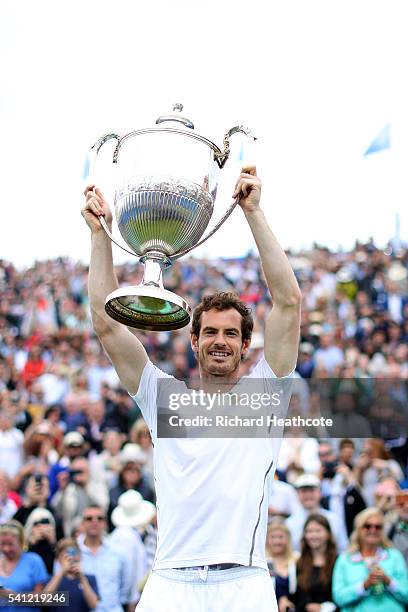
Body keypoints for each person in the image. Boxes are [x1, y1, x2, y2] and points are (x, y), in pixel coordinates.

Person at [82, 165, 301, 612]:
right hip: (170, 583)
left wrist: (254, 213)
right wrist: (99, 234)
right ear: (194, 340)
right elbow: (107, 327)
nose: (221, 341)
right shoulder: (163, 398)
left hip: (244, 581)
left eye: (231, 334)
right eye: (212, 333)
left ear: (245, 346)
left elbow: (289, 303)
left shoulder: (265, 394)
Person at [332, 507, 408, 611]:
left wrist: (388, 581)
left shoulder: (394, 556)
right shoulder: (345, 560)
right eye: (367, 526)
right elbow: (339, 598)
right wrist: (364, 585)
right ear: (358, 529)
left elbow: (406, 595)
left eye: (378, 527)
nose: (373, 530)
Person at [77, 505, 131, 612]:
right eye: (89, 518)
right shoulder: (72, 552)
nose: (95, 522)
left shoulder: (118, 552)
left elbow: (126, 588)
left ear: (105, 523)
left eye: (100, 518)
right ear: (82, 524)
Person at [280, 514, 338, 612]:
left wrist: (324, 608)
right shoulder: (298, 563)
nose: (313, 535)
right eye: (309, 531)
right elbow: (293, 594)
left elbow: (342, 595)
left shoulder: (338, 562)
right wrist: (283, 598)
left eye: (318, 531)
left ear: (328, 534)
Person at [286, 474, 348, 552]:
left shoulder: (334, 519)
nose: (308, 495)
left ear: (320, 493)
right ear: (297, 494)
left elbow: (343, 548)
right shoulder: (289, 523)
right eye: (304, 491)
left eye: (312, 490)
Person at [0, 520, 48, 612]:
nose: (6, 549)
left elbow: (42, 599)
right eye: (2, 544)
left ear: (21, 542)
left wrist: (13, 596)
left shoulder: (34, 561)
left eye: (11, 544)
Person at [45, 537, 99, 612]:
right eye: (66, 555)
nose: (71, 558)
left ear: (80, 556)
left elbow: (93, 605)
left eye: (73, 553)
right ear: (59, 559)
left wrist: (82, 578)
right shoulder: (51, 579)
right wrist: (61, 572)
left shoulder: (90, 579)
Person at [265, 522, 298, 611]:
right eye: (273, 537)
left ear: (288, 539)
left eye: (280, 537)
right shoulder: (262, 562)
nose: (277, 541)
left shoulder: (297, 560)